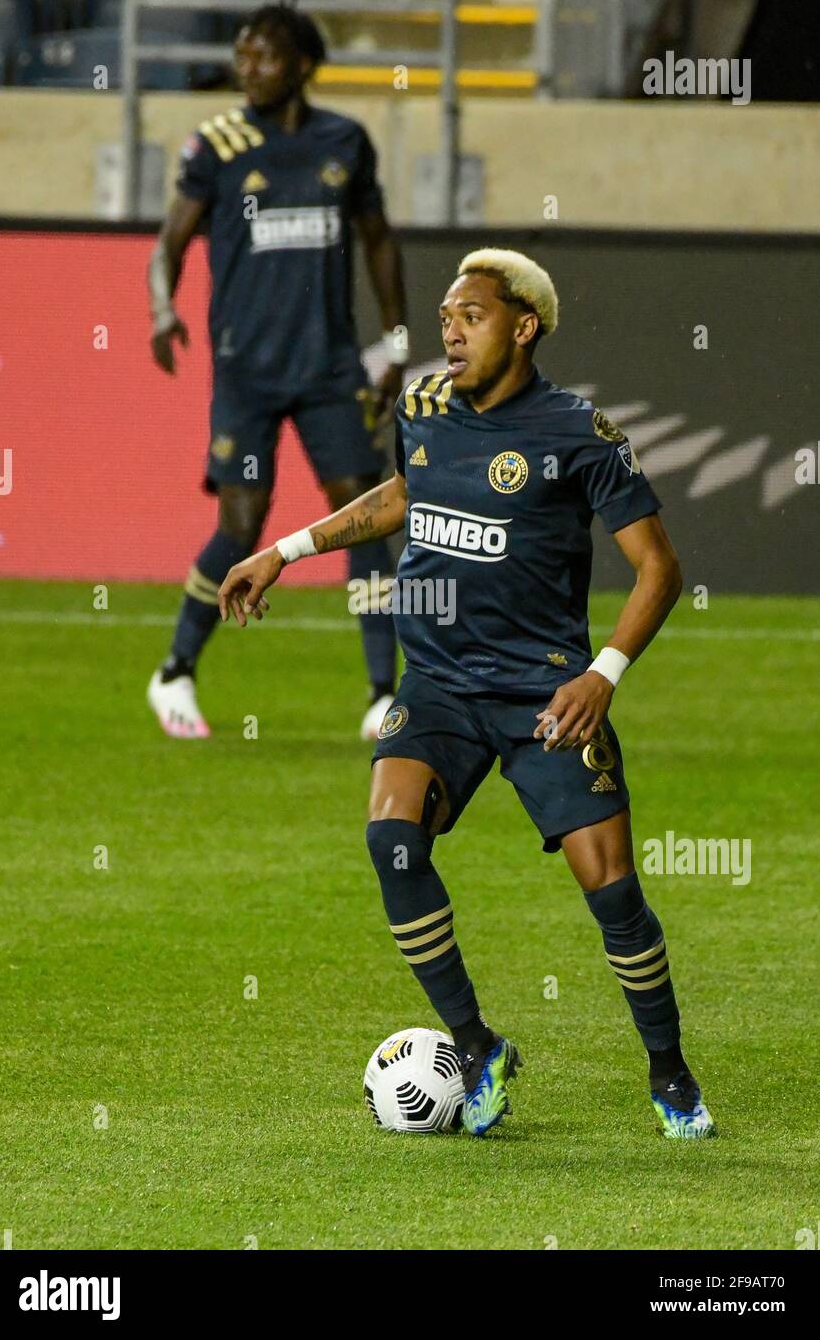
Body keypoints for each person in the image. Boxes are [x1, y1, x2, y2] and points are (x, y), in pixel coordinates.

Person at [217, 247, 716, 1140]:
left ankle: (669, 1071)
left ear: (523, 328)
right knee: (392, 841)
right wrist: (284, 550)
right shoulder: (422, 409)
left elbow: (660, 570)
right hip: (440, 688)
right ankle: (478, 1045)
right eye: (445, 315)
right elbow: (405, 493)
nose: (449, 329)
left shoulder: (577, 431)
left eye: (470, 315)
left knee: (612, 893)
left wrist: (602, 675)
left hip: (544, 698)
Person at [146, 4, 405, 741]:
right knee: (241, 524)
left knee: (362, 516)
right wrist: (162, 311)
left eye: (261, 55)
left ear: (300, 64)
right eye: (240, 54)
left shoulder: (344, 142)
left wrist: (394, 342)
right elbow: (167, 244)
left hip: (329, 367)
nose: (245, 67)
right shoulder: (219, 144)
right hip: (246, 371)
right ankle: (174, 673)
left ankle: (383, 695)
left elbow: (380, 242)